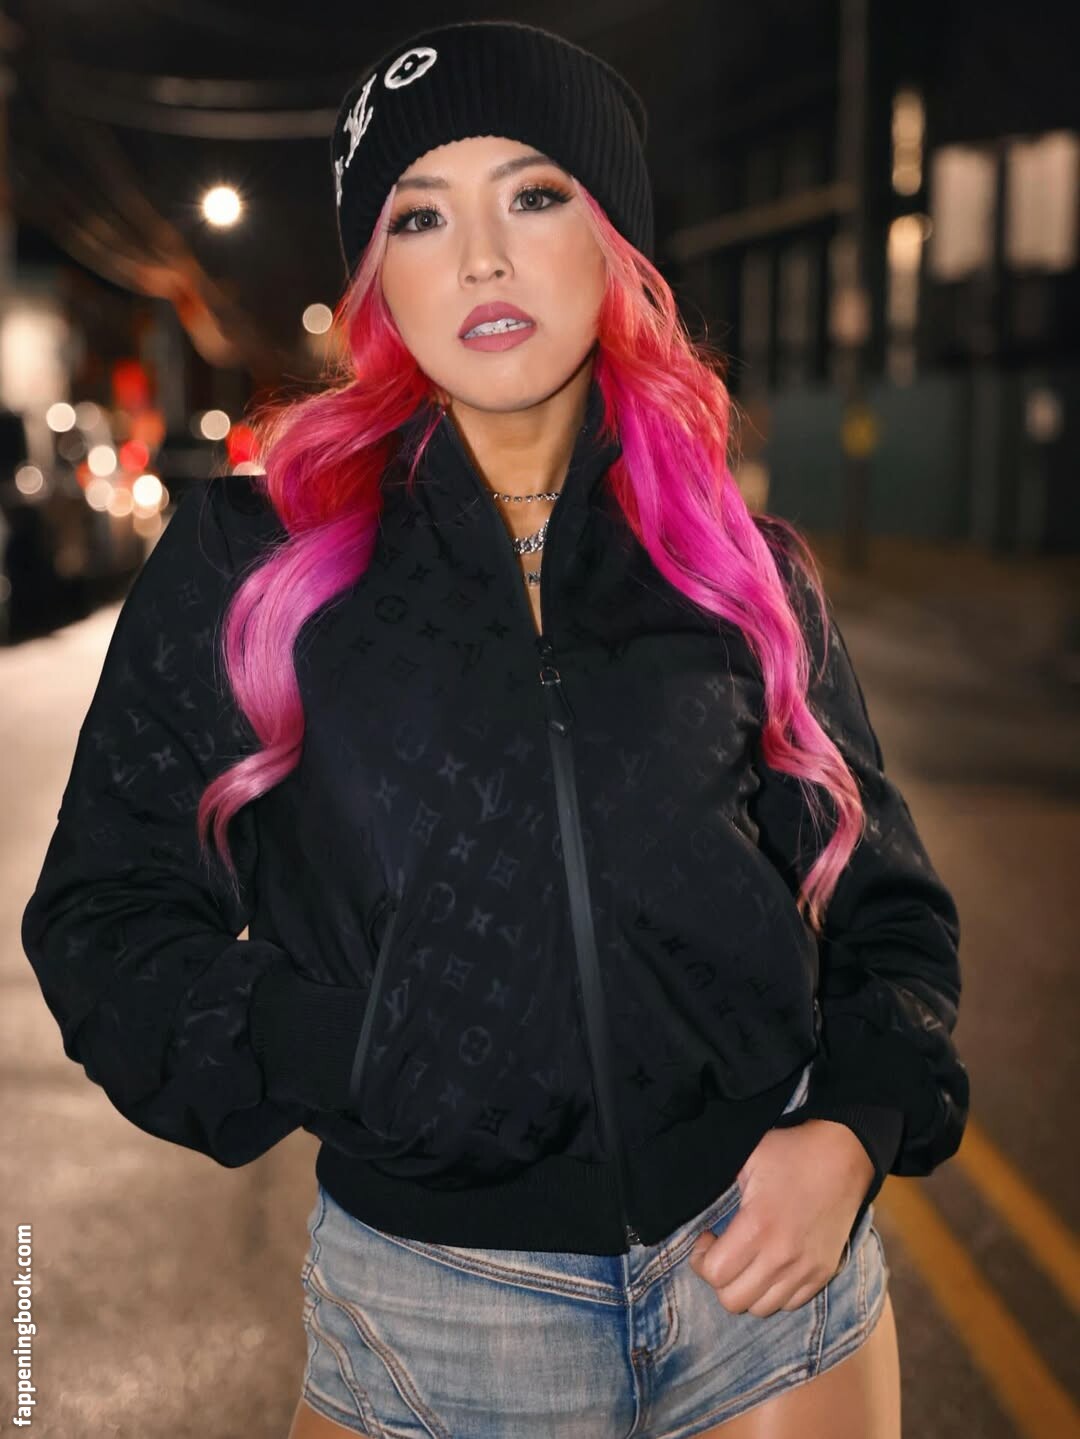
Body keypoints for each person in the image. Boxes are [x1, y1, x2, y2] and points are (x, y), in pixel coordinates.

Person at [20, 19, 969, 1439]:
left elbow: (891, 913)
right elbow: (103, 922)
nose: (479, 258)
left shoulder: (737, 565)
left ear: (613, 243)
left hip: (771, 1297)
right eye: (419, 216)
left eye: (533, 195)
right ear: (378, 278)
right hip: (440, 1319)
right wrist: (351, 1048)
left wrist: (853, 1130)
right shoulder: (252, 562)